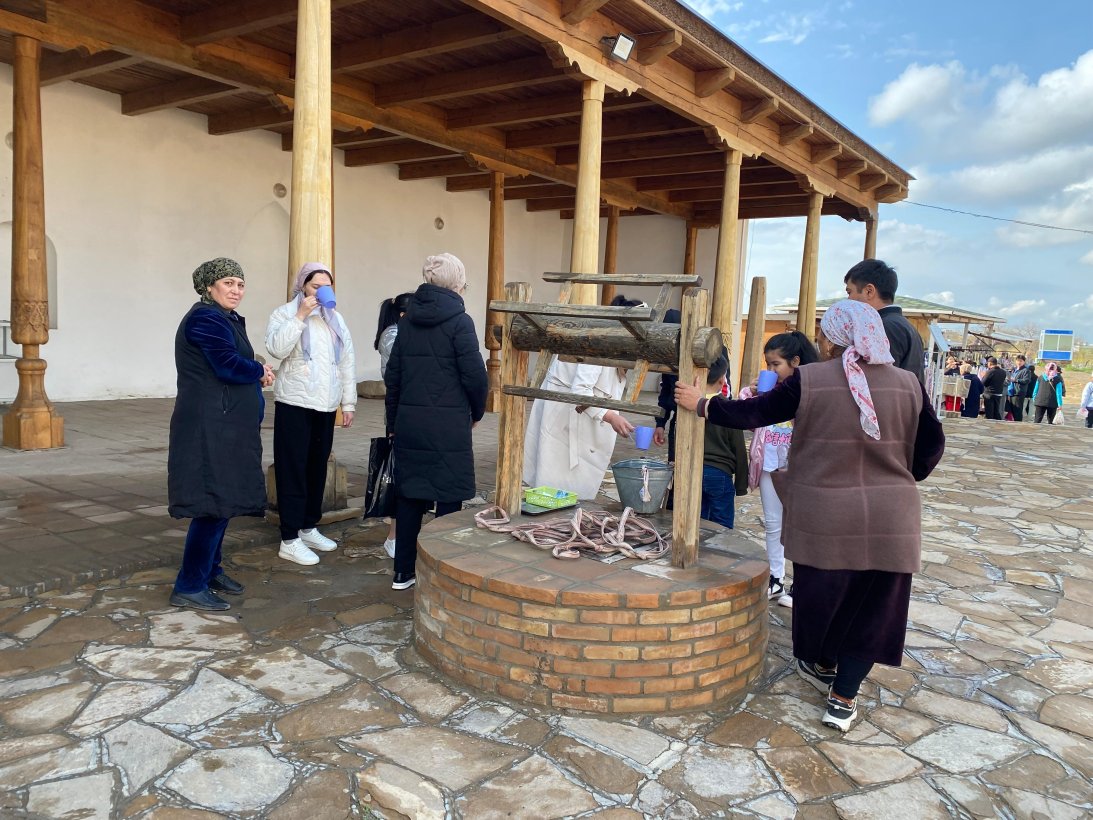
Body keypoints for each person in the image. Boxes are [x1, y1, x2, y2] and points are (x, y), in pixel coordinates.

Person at [674, 300, 945, 733]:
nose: (819, 339)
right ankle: (843, 697)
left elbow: (755, 412)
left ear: (838, 338)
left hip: (827, 516)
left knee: (824, 598)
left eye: (824, 332)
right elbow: (931, 445)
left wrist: (704, 405)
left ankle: (822, 663)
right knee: (876, 607)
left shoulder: (811, 379)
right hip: (892, 516)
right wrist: (897, 477)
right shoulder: (908, 383)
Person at [168, 258, 274, 611]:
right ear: (209, 287)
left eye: (240, 284)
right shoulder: (205, 318)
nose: (236, 290)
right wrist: (259, 370)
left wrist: (256, 370)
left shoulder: (221, 318)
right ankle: (189, 584)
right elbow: (226, 364)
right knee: (212, 505)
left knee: (222, 501)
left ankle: (210, 571)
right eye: (228, 283)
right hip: (208, 426)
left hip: (224, 424)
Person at [385, 253, 488, 590]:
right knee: (448, 496)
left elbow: (394, 377)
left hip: (410, 421)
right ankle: (441, 571)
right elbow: (475, 376)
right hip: (448, 423)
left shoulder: (407, 321)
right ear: (457, 283)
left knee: (410, 494)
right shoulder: (461, 322)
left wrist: (393, 420)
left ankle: (403, 572)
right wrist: (476, 412)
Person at [266, 262, 357, 566]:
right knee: (292, 468)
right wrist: (301, 316)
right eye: (315, 285)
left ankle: (308, 526)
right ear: (303, 285)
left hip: (325, 403)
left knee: (316, 467)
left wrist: (348, 403)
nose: (320, 291)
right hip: (294, 402)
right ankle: (289, 537)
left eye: (326, 286)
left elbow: (346, 362)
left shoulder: (335, 319)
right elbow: (277, 349)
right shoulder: (284, 313)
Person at [523, 296, 640, 500]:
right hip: (564, 420)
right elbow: (580, 390)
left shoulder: (618, 347)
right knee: (556, 484)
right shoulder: (598, 342)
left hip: (580, 422)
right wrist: (611, 417)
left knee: (570, 489)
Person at [739, 331, 819, 608]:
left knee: (801, 525)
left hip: (798, 468)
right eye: (769, 364)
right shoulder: (770, 393)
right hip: (768, 465)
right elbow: (752, 422)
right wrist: (751, 394)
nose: (770, 370)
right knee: (774, 524)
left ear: (795, 362)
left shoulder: (808, 390)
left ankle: (803, 585)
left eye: (776, 364)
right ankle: (775, 579)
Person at [374, 292, 413, 558]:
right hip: (399, 408)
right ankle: (394, 537)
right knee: (399, 473)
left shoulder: (402, 332)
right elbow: (397, 377)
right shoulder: (392, 335)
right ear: (402, 314)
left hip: (409, 408)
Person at [843, 259, 924, 382]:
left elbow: (881, 383)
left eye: (850, 292)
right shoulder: (904, 325)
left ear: (869, 291)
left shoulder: (881, 327)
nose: (848, 299)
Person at [698, 352, 749, 529]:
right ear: (722, 380)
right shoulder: (727, 408)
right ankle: (719, 554)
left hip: (694, 471)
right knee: (723, 523)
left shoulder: (688, 404)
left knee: (699, 520)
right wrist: (741, 485)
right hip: (720, 473)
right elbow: (739, 448)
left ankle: (700, 551)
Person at [1005, 354, 1033, 422]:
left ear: (1024, 362)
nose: (1019, 362)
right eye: (1017, 361)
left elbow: (1027, 380)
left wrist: (1016, 380)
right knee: (1011, 410)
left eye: (1021, 361)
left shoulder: (1026, 370)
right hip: (1011, 392)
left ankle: (1018, 424)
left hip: (1018, 393)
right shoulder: (1014, 369)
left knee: (1017, 410)